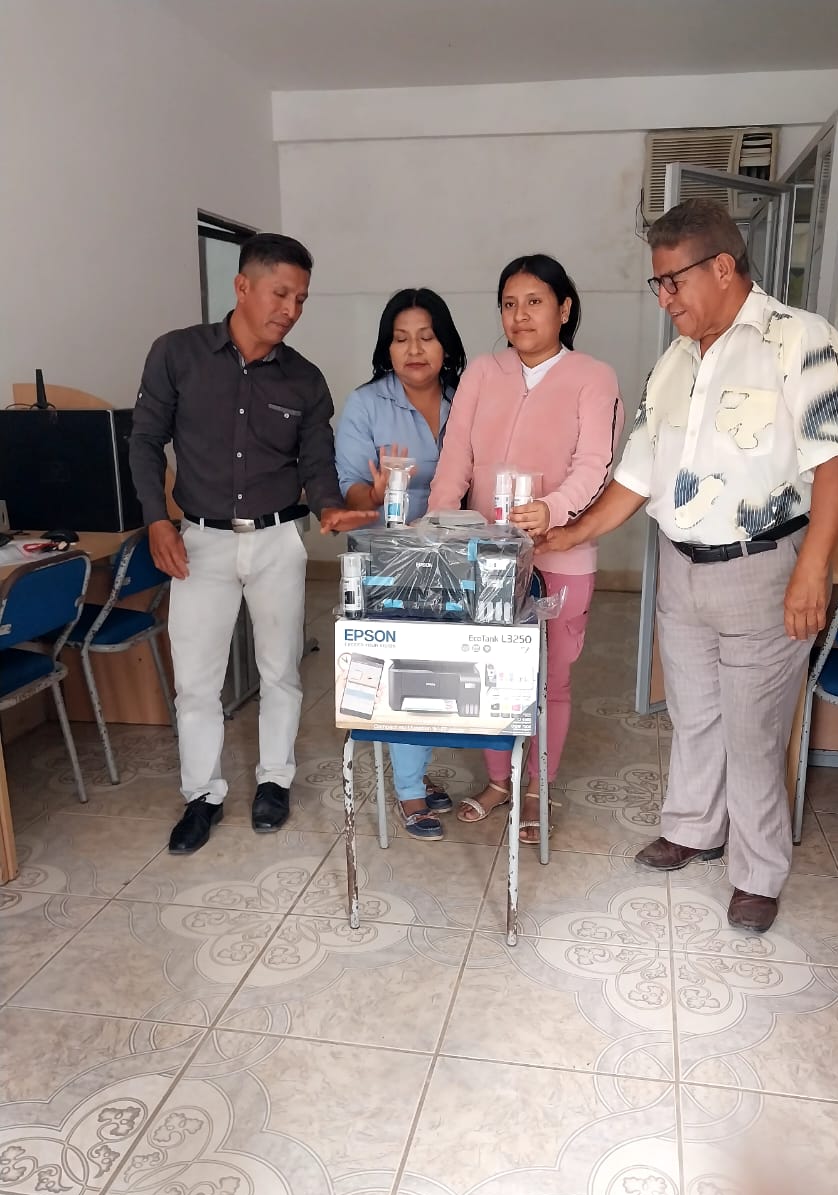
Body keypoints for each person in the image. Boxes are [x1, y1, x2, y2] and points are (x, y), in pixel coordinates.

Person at [543, 199, 838, 932]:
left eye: (673, 281)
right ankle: (694, 828)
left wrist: (812, 570)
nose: (664, 298)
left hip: (763, 566)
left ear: (722, 267)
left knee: (754, 734)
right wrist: (575, 531)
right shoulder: (676, 362)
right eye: (657, 284)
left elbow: (837, 464)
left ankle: (758, 872)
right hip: (681, 567)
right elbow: (639, 470)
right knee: (693, 714)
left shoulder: (800, 340)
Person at [130, 233, 376, 855]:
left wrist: (330, 508)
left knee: (280, 670)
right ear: (243, 287)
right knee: (196, 680)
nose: (291, 309)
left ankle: (274, 781)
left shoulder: (305, 379)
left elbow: (315, 462)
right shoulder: (177, 354)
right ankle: (202, 795)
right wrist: (157, 519)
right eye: (281, 293)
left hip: (277, 540)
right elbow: (144, 441)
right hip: (199, 541)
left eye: (301, 299)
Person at [428, 254, 624, 842]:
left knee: (549, 678)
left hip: (561, 551)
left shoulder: (593, 376)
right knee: (489, 671)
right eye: (509, 305)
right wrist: (437, 527)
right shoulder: (482, 372)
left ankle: (537, 786)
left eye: (534, 302)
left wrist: (554, 509)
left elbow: (596, 462)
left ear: (564, 309)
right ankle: (499, 781)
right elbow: (456, 457)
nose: (520, 316)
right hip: (486, 556)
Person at [335, 288, 467, 839]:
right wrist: (376, 492)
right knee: (405, 668)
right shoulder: (366, 403)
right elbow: (349, 486)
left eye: (426, 337)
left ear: (445, 344)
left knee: (443, 668)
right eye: (400, 338)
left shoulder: (466, 398)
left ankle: (417, 769)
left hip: (455, 558)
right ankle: (410, 789)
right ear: (386, 348)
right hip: (387, 561)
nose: (414, 349)